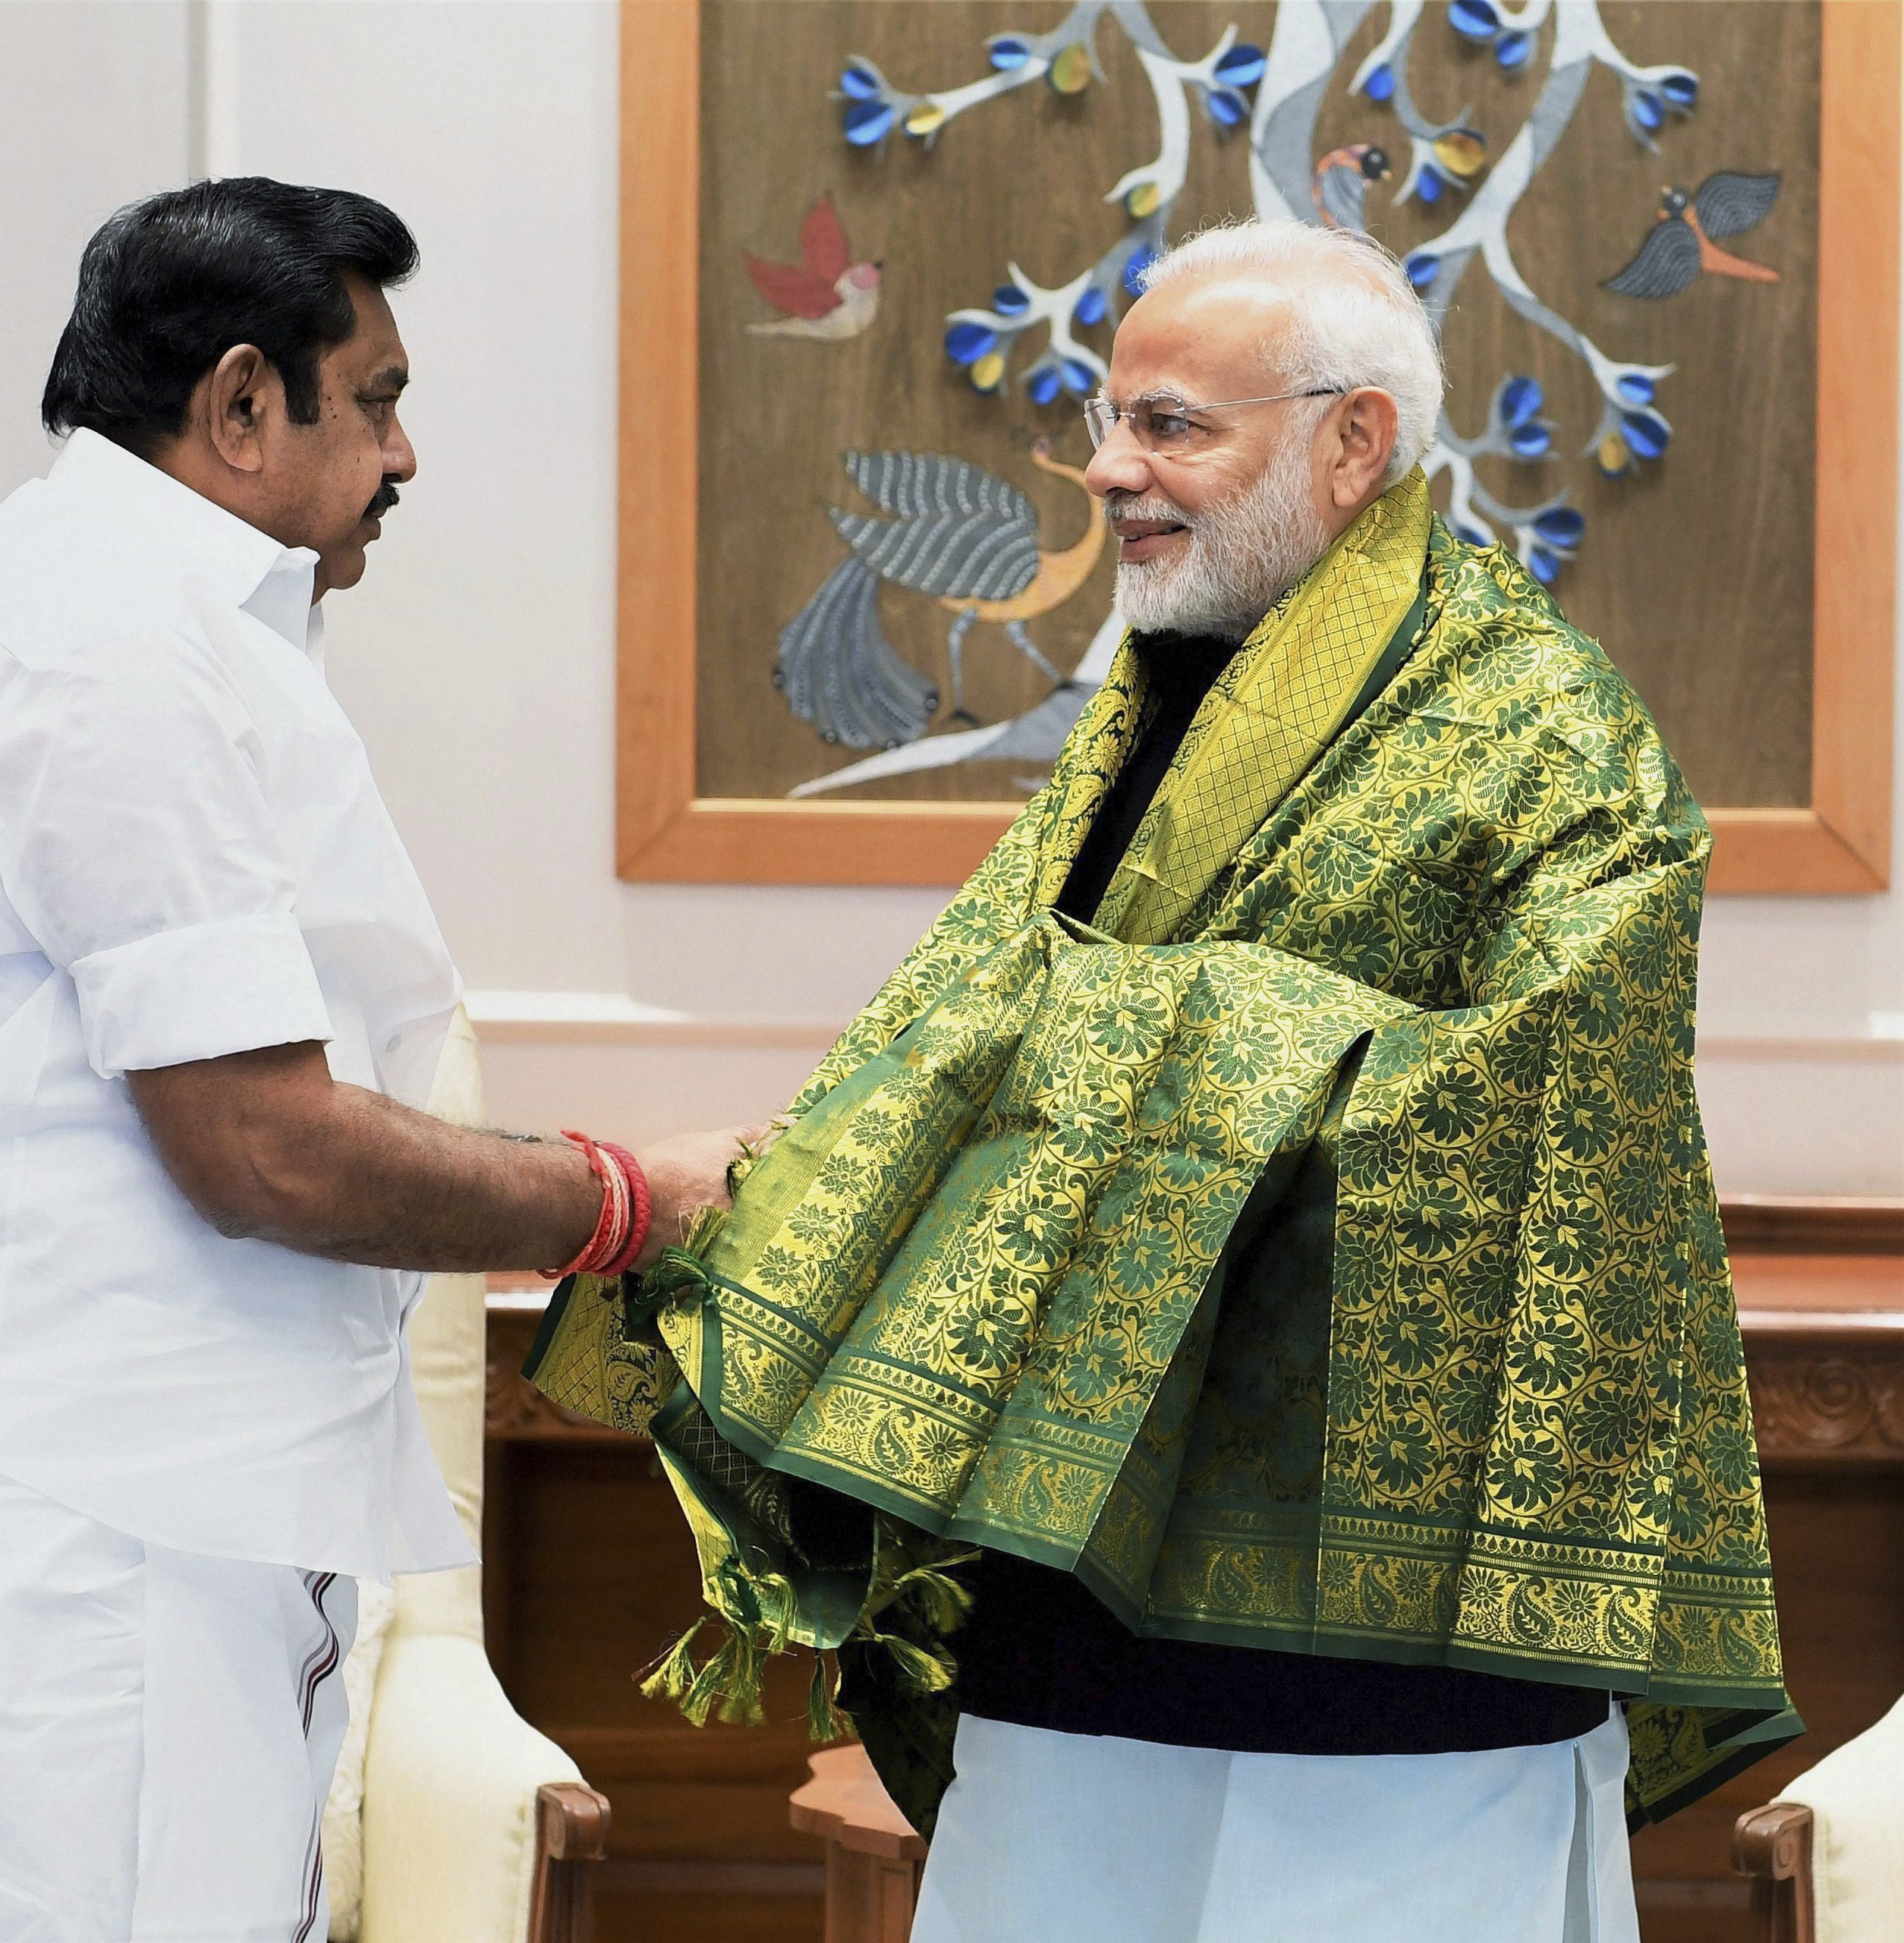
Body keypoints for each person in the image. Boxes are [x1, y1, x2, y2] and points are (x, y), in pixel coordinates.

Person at [528, 218, 1795, 1942]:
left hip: (1389, 1655)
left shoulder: (1549, 731)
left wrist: (1113, 1055)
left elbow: (1542, 1130)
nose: (1112, 470)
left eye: (1174, 425)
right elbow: (975, 1028)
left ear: (1354, 444)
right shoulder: (1151, 703)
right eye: (1108, 420)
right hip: (1072, 1611)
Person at [0, 177, 752, 1943]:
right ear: (243, 404)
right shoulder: (114, 642)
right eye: (382, 398)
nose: (406, 457)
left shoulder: (139, 614)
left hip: (87, 1518)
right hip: (28, 1560)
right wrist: (626, 1198)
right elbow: (260, 1145)